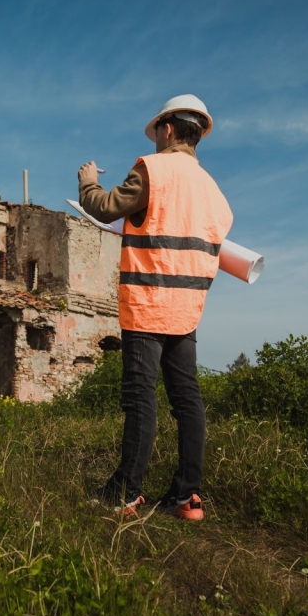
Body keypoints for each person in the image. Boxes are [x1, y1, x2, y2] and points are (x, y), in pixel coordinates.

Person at [78, 94, 233, 520]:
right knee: (187, 400)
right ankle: (188, 497)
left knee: (140, 398)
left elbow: (104, 207)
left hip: (147, 303)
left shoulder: (153, 169)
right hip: (187, 310)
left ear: (167, 129)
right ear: (198, 133)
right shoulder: (213, 191)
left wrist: (88, 180)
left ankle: (125, 493)